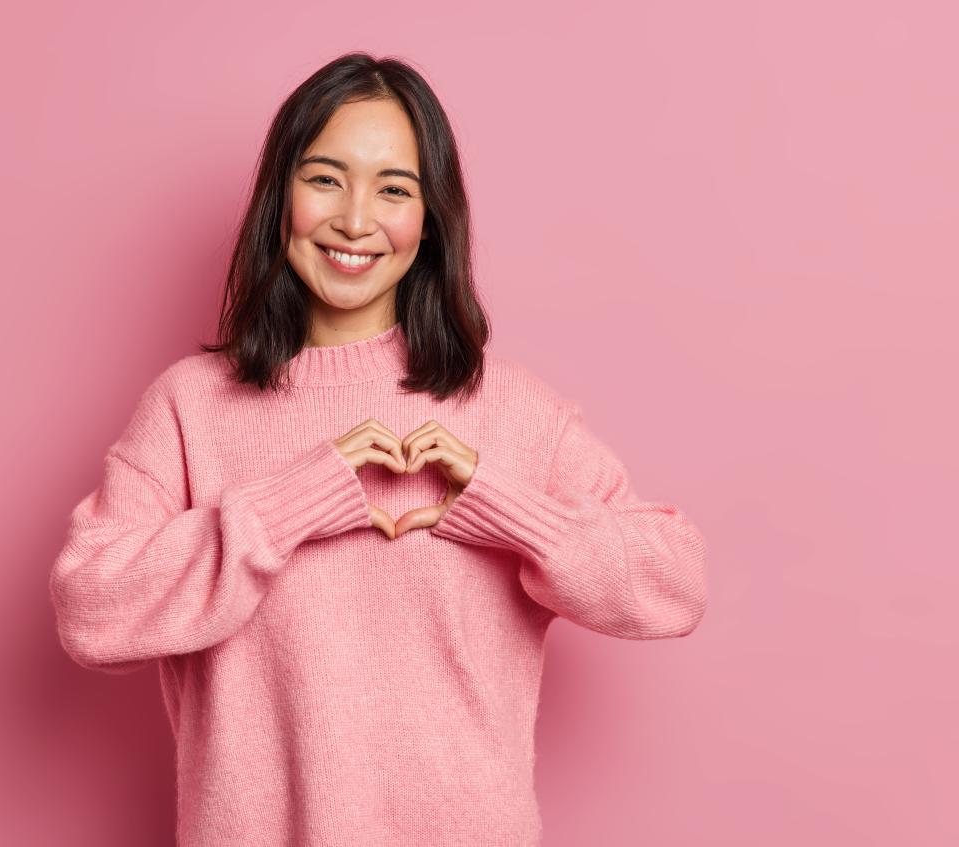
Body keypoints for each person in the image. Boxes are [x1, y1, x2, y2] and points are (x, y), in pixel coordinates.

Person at [49, 51, 708, 847]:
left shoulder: (511, 411)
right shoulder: (190, 407)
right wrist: (289, 506)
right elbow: (90, 611)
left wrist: (504, 509)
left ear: (429, 220)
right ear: (281, 196)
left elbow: (675, 584)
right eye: (326, 178)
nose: (355, 219)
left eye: (393, 189)